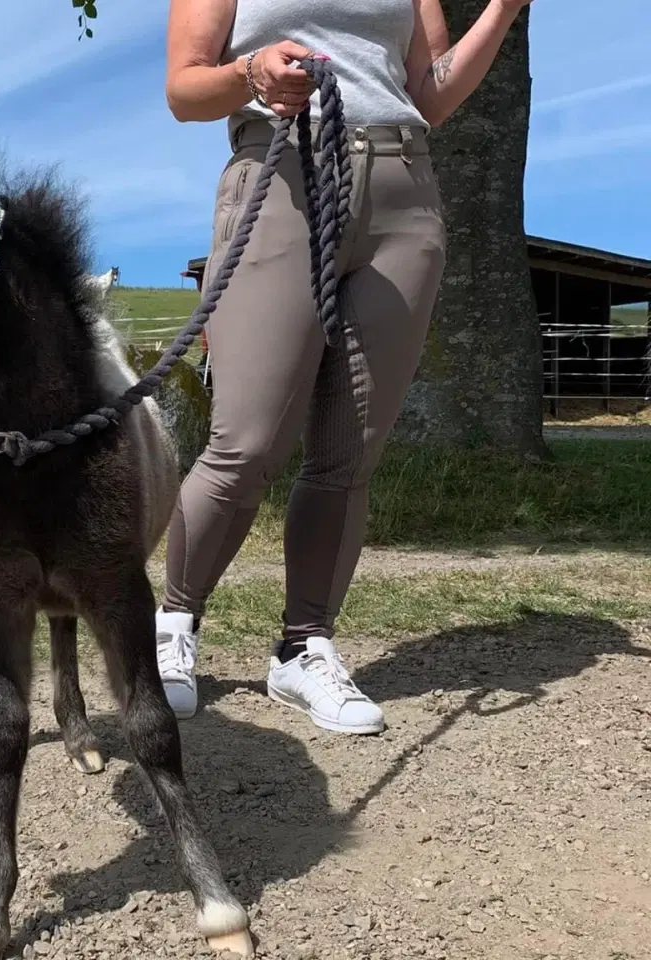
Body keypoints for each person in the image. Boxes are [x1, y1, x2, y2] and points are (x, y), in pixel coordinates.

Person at [157, 0, 534, 733]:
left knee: (349, 451)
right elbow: (183, 90)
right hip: (283, 172)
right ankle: (173, 625)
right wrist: (249, 72)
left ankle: (304, 649)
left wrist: (502, 11)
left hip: (403, 189)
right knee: (248, 440)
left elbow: (429, 94)